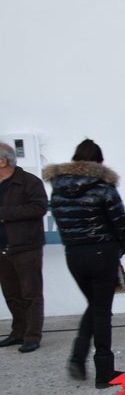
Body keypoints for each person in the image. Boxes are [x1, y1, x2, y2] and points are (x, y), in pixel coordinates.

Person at [43, 139, 125, 387]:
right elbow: (121, 223)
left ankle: (78, 357)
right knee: (101, 311)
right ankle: (104, 371)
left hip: (74, 254)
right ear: (99, 161)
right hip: (102, 253)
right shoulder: (104, 186)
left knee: (94, 305)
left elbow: (61, 221)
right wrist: (120, 249)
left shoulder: (57, 188)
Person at [0, 142, 48, 353]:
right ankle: (18, 332)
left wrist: (4, 214)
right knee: (11, 293)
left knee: (31, 293)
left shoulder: (29, 182)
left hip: (26, 247)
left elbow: (39, 208)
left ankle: (32, 336)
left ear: (3, 161)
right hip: (2, 248)